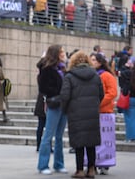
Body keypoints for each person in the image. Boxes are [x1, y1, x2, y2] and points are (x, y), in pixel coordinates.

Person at [60, 51, 104, 178]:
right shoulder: (95, 76)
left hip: (76, 113)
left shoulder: (69, 77)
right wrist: (94, 105)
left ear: (73, 62)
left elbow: (65, 96)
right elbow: (101, 94)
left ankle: (79, 170)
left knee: (79, 142)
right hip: (92, 113)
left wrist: (65, 109)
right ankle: (91, 169)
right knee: (91, 142)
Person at [36, 44, 68, 175]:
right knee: (48, 135)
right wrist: (58, 93)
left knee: (59, 136)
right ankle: (43, 165)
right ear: (56, 54)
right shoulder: (47, 69)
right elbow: (43, 88)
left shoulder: (63, 69)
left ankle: (59, 164)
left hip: (64, 104)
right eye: (61, 52)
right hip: (54, 103)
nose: (64, 54)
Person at [90, 52, 118, 175]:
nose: (92, 62)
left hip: (105, 112)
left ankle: (104, 164)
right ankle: (93, 163)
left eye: (94, 60)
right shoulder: (91, 75)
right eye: (90, 60)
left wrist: (98, 103)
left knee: (105, 141)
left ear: (100, 62)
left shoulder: (107, 75)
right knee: (93, 141)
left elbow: (112, 93)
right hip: (92, 112)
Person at [119, 58, 135, 142]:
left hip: (130, 98)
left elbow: (119, 73)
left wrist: (125, 66)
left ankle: (130, 137)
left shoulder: (129, 73)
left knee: (129, 119)